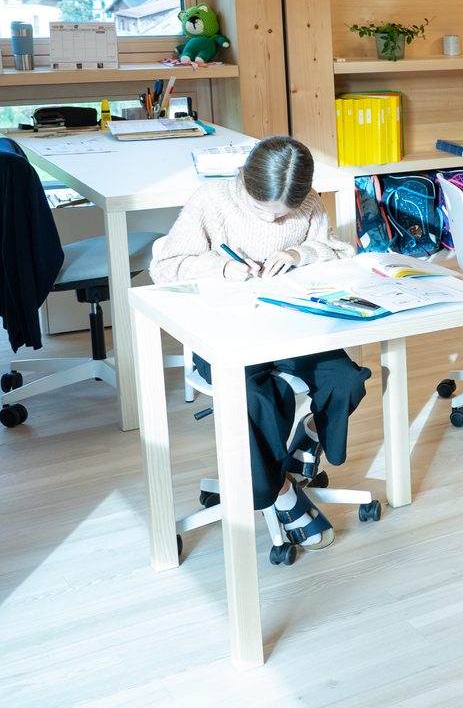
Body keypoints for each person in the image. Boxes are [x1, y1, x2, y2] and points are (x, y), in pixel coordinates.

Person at [149, 136, 364, 552]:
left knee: (347, 379)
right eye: (263, 212)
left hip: (292, 330)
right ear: (246, 181)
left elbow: (341, 252)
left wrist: (303, 253)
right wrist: (222, 266)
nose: (271, 224)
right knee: (251, 396)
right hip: (226, 334)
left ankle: (308, 436)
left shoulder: (308, 204)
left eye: (282, 216)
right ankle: (281, 493)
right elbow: (166, 266)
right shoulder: (211, 200)